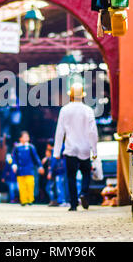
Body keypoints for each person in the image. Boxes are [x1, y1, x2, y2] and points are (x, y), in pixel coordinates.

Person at [53, 83, 98, 211]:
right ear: (82, 96)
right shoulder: (88, 110)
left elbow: (59, 131)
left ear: (71, 96)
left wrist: (56, 152)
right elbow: (93, 132)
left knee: (71, 176)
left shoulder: (65, 110)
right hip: (85, 148)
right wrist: (94, 150)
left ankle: (73, 204)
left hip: (70, 148)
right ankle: (83, 193)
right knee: (86, 173)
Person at [11, 131, 45, 206]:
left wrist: (40, 166)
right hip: (20, 170)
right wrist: (14, 165)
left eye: (27, 136)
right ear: (20, 138)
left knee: (30, 185)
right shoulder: (17, 147)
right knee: (22, 186)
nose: (27, 138)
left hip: (29, 169)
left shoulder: (30, 147)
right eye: (25, 136)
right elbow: (14, 158)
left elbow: (36, 157)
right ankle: (23, 200)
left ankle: (30, 200)